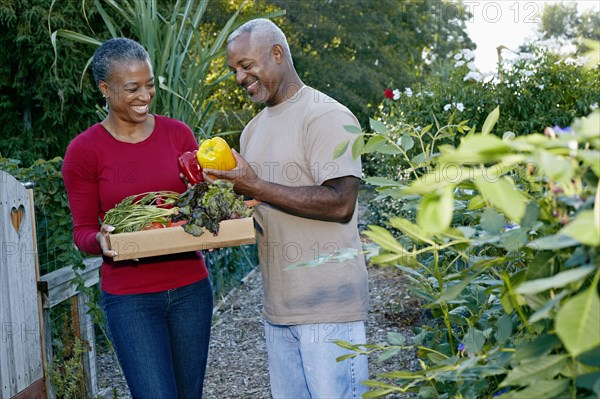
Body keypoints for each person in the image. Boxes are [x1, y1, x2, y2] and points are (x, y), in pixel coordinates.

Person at [204, 19, 369, 398]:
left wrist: (255, 185)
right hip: (279, 309)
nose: (238, 77)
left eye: (245, 65)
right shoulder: (252, 130)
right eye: (233, 70)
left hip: (329, 309)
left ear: (277, 53)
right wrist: (219, 218)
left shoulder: (326, 115)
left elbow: (341, 203)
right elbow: (260, 204)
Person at [62, 37, 212, 399]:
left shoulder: (178, 135)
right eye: (132, 88)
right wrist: (100, 240)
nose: (144, 95)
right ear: (105, 89)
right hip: (131, 299)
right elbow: (82, 231)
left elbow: (200, 203)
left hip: (191, 289)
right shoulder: (84, 151)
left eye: (149, 85)